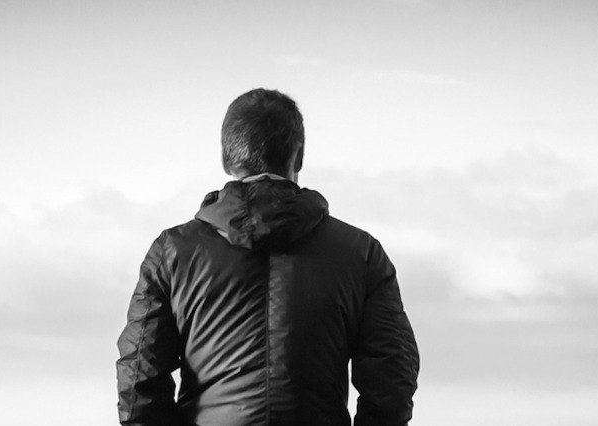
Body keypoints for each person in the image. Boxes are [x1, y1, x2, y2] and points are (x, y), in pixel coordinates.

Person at [116, 88, 420, 426]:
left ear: (226, 158)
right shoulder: (360, 253)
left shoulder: (172, 252)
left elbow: (139, 377)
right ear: (299, 156)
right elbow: (392, 378)